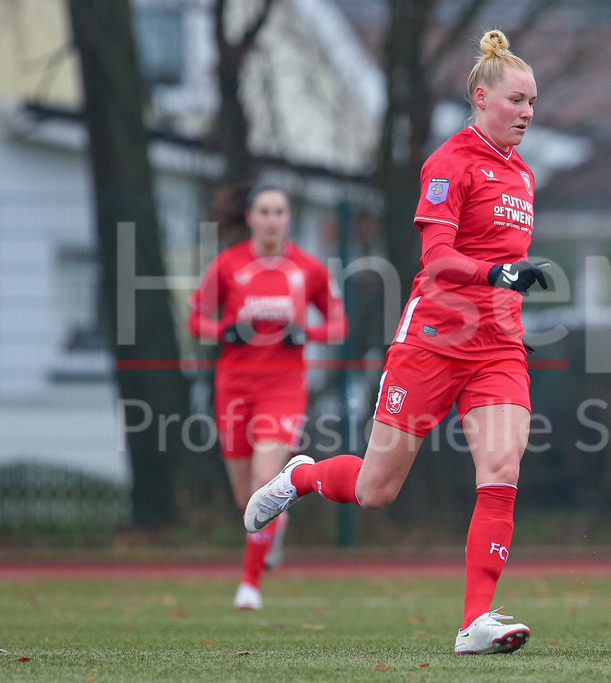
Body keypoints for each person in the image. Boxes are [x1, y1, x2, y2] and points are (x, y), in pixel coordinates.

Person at [244, 29, 547, 654]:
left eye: (533, 103)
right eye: (517, 100)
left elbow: (503, 266)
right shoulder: (449, 163)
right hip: (432, 340)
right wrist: (496, 274)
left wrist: (507, 306)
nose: (527, 114)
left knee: (503, 467)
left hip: (496, 347)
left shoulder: (523, 177)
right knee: (375, 490)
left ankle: (474, 624)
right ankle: (301, 478)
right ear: (482, 96)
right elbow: (437, 261)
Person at [188, 182, 348, 610]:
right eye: (264, 212)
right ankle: (275, 526)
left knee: (264, 481)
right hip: (234, 388)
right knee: (248, 502)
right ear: (250, 218)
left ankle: (249, 585)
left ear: (288, 218)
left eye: (280, 211)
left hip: (283, 388)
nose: (272, 220)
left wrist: (307, 333)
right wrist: (225, 330)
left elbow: (337, 325)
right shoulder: (227, 265)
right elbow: (196, 321)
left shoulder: (308, 269)